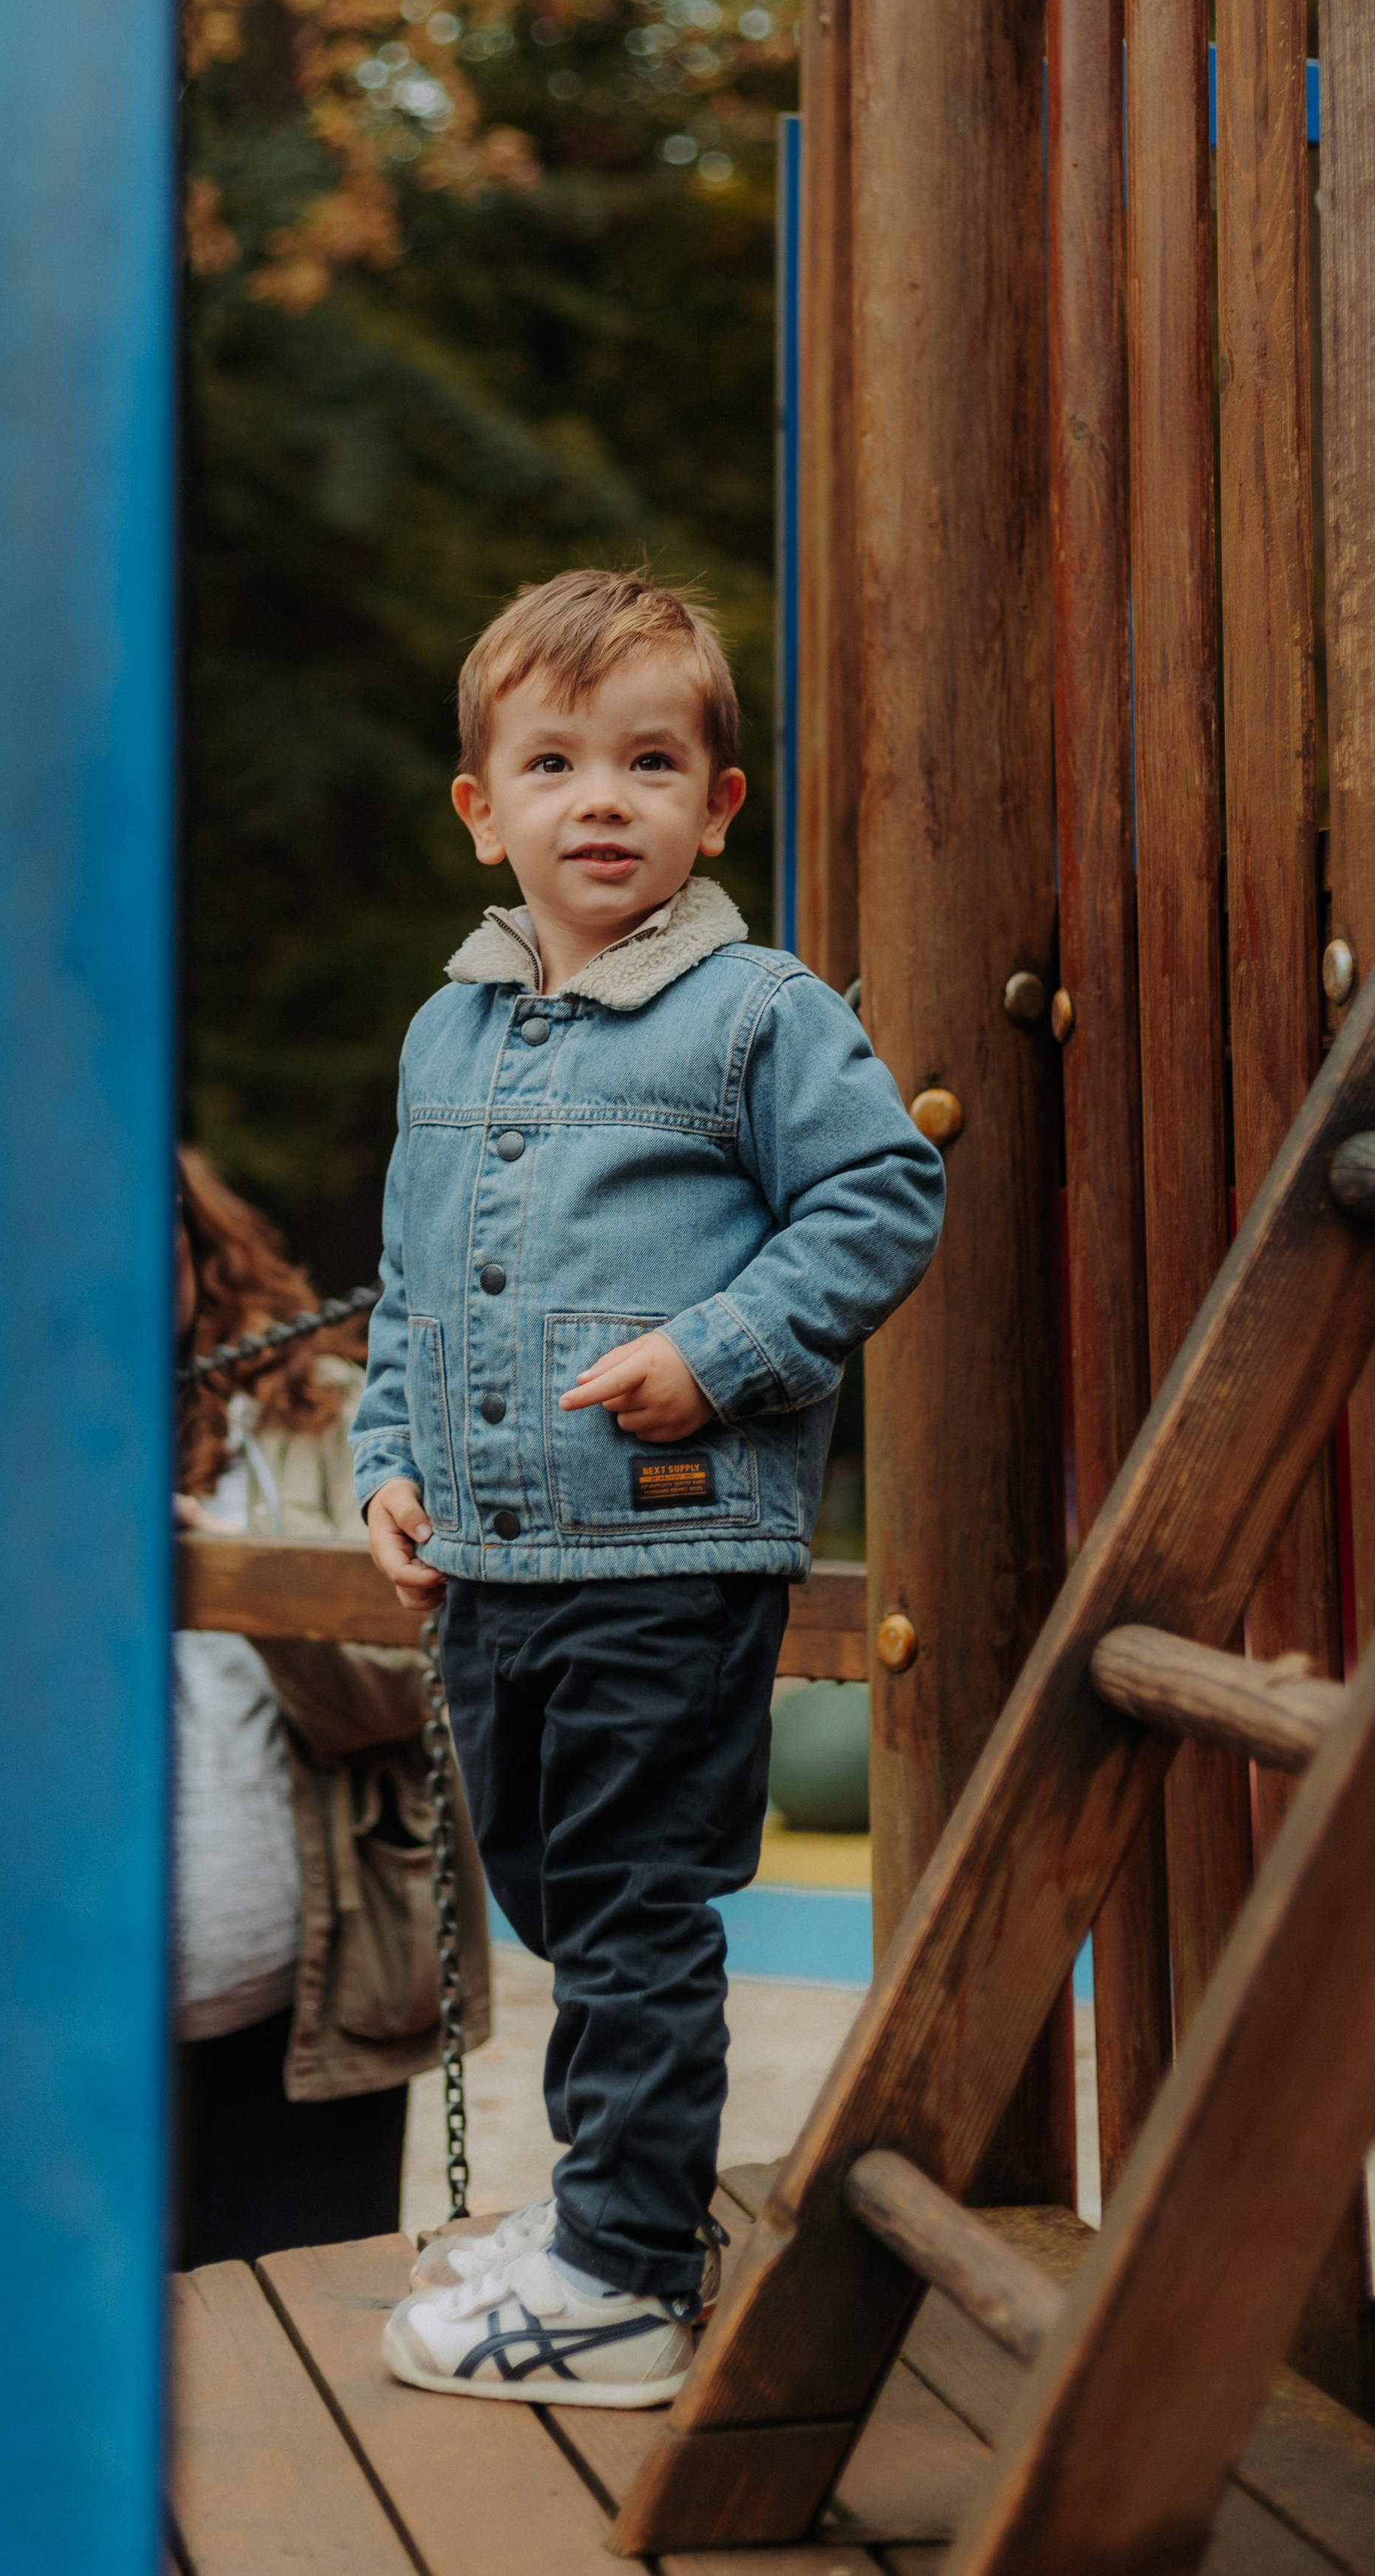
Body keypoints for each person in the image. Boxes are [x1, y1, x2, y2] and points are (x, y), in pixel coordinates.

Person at [351, 570, 946, 2404]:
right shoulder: (445, 1035)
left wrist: (723, 1347)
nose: (599, 799)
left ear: (717, 803)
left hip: (669, 1542)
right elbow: (407, 1281)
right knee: (547, 1887)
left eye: (650, 760)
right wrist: (387, 1460)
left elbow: (878, 1201)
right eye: (554, 762)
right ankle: (623, 2203)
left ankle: (620, 2270)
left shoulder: (756, 1015)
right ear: (485, 805)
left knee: (629, 1901)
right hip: (493, 1563)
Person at [171, 1147, 488, 2270]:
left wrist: (241, 1583)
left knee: (294, 2320)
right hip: (66, 2005)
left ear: (195, 1246)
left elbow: (408, 1681)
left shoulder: (324, 1416)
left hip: (310, 1984)